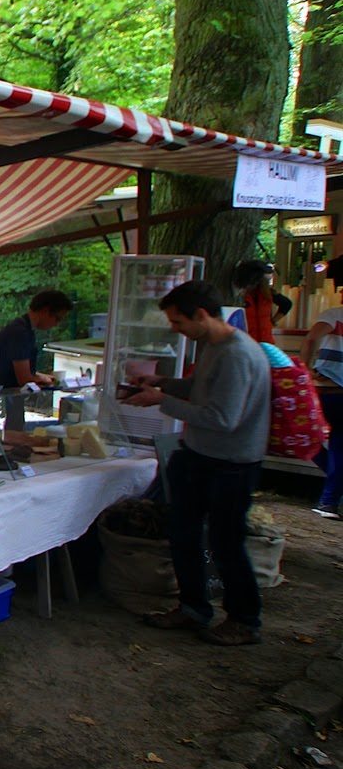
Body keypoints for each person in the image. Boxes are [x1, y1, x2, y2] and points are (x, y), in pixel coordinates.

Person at [123, 280, 271, 646]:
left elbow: (223, 418)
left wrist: (162, 400)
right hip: (198, 456)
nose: (175, 329)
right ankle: (192, 607)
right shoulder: (212, 346)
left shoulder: (238, 354)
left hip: (230, 464)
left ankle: (244, 620)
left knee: (226, 544)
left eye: (178, 322)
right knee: (183, 534)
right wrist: (163, 383)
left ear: (202, 315)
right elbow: (202, 390)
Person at [0, 289, 73, 431]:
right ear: (45, 311)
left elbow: (17, 366)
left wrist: (42, 376)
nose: (57, 324)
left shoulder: (23, 329)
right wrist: (47, 383)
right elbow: (24, 379)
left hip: (4, 398)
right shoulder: (20, 333)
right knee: (7, 439)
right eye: (58, 318)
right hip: (0, 400)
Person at [301, 254, 343, 519]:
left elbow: (311, 339)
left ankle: (330, 499)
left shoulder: (334, 315)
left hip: (327, 389)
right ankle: (328, 501)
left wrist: (305, 369)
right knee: (340, 445)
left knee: (306, 435)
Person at [233, 258, 293, 343]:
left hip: (266, 343)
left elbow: (286, 304)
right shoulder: (239, 297)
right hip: (247, 343)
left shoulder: (266, 294)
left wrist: (272, 321)